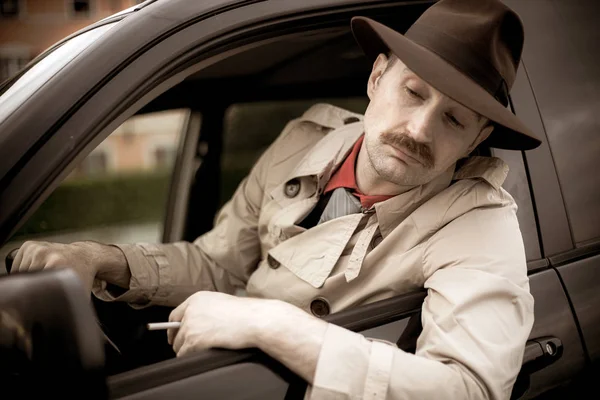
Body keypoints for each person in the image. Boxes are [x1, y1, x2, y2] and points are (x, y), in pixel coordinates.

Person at [13, 0, 542, 398]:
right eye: (413, 91)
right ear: (378, 77)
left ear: (476, 140)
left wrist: (272, 324)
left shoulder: (479, 221)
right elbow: (220, 265)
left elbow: (469, 390)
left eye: (454, 119)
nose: (419, 130)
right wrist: (105, 260)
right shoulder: (302, 142)